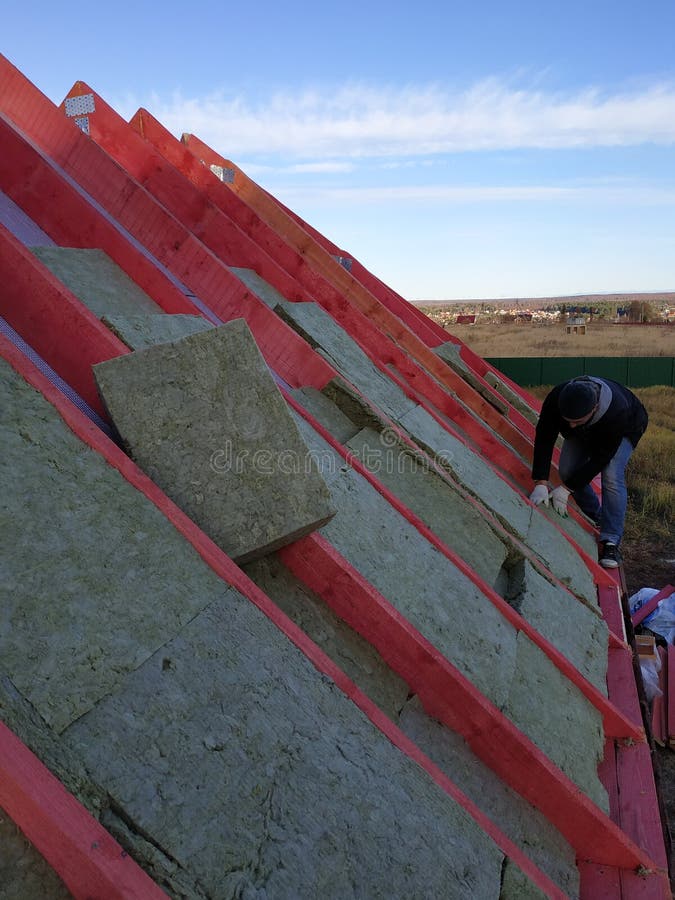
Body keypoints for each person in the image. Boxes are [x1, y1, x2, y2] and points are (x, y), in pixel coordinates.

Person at [529, 375, 648, 568]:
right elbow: (545, 436)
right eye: (568, 421)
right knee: (567, 470)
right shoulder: (557, 398)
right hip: (590, 426)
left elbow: (601, 458)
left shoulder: (617, 411)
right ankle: (598, 515)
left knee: (611, 475)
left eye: (576, 421)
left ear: (593, 409)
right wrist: (540, 482)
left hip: (626, 427)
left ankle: (610, 540)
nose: (571, 426)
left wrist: (567, 489)